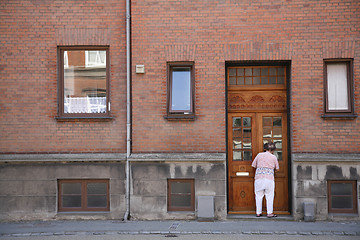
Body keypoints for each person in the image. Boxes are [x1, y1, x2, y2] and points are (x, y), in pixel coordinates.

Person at [251, 141, 279, 218]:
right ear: (273, 150)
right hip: (269, 178)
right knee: (269, 196)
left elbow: (253, 165)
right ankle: (269, 213)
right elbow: (277, 168)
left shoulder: (259, 155)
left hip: (259, 178)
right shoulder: (273, 157)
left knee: (258, 195)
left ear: (265, 148)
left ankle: (258, 212)